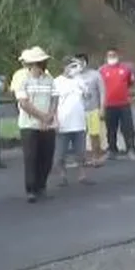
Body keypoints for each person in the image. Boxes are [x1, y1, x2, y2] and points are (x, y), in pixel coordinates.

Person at [15, 46, 57, 203]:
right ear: (32, 64)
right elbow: (24, 103)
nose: (43, 65)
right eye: (40, 62)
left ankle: (42, 186)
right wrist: (42, 117)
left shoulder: (49, 79)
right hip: (29, 124)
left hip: (48, 124)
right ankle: (31, 189)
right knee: (31, 157)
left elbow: (54, 98)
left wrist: (50, 116)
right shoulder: (22, 80)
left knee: (46, 157)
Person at [53, 57, 93, 185]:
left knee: (81, 152)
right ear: (65, 67)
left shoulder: (79, 80)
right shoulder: (57, 82)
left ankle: (82, 176)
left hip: (79, 122)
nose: (74, 69)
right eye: (72, 66)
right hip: (63, 123)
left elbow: (88, 96)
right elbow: (53, 103)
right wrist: (54, 120)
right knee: (60, 154)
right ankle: (63, 176)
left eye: (76, 66)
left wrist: (85, 88)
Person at [99, 47, 135, 160]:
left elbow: (131, 83)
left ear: (118, 55)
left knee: (127, 128)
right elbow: (99, 87)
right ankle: (112, 150)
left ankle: (130, 149)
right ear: (106, 57)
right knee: (111, 129)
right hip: (109, 104)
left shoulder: (126, 69)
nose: (112, 57)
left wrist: (131, 96)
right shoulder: (101, 70)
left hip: (124, 104)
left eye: (113, 55)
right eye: (109, 55)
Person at [76, 54, 106, 166]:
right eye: (77, 62)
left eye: (82, 61)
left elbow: (102, 92)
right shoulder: (74, 76)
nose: (80, 64)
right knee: (80, 136)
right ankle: (82, 159)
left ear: (86, 62)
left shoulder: (95, 75)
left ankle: (96, 157)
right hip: (79, 111)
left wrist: (102, 108)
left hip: (93, 109)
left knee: (94, 134)